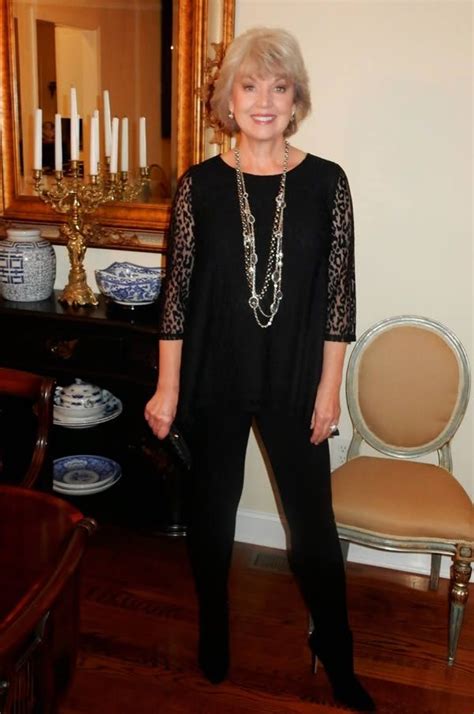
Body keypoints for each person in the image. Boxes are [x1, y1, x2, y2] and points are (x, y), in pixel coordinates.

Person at [145, 26, 375, 712]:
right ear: (229, 98)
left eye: (279, 86)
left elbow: (340, 299)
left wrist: (330, 391)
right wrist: (167, 386)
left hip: (296, 380)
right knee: (211, 522)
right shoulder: (199, 188)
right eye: (250, 85)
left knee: (313, 532)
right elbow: (177, 297)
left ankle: (335, 654)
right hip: (214, 377)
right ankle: (214, 631)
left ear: (296, 98)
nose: (264, 100)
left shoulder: (329, 184)